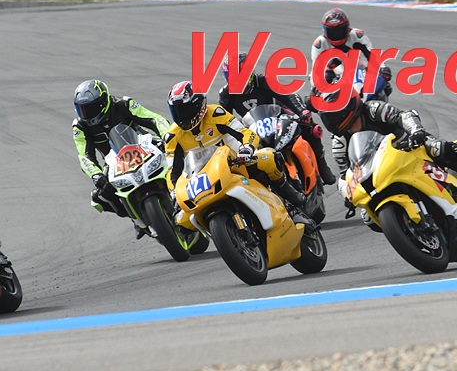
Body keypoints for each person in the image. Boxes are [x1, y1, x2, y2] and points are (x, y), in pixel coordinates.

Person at [164, 81, 314, 226]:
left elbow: (245, 133)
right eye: (176, 111)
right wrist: (174, 193)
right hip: (202, 180)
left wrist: (247, 148)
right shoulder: (172, 136)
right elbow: (172, 171)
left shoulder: (215, 114)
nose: (181, 117)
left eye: (185, 110)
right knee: (181, 219)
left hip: (237, 163)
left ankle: (292, 201)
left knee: (268, 158)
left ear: (199, 104)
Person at [318, 90, 457, 208]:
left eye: (332, 115)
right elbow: (346, 174)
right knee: (368, 215)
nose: (331, 121)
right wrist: (348, 193)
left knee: (440, 148)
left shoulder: (373, 109)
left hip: (411, 149)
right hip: (380, 173)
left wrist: (416, 131)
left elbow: (403, 116)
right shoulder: (339, 143)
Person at [72, 80, 172, 239]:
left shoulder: (123, 104)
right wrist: (96, 175)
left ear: (103, 102)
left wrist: (166, 136)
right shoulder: (80, 126)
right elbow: (84, 156)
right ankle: (137, 216)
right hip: (115, 162)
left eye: (90, 108)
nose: (86, 114)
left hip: (145, 145)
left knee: (176, 155)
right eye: (82, 109)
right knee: (100, 197)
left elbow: (154, 119)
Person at [218, 52, 336, 185]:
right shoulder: (226, 94)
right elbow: (224, 119)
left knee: (311, 128)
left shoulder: (264, 81)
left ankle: (322, 165)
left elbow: (288, 95)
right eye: (232, 76)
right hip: (251, 127)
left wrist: (302, 111)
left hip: (278, 116)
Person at [310, 8, 392, 95]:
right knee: (312, 96)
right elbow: (315, 71)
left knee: (385, 85)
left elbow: (372, 54)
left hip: (358, 69)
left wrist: (383, 68)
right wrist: (320, 82)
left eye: (340, 30)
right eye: (332, 32)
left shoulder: (357, 35)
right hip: (334, 74)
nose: (337, 34)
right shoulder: (319, 44)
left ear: (347, 27)